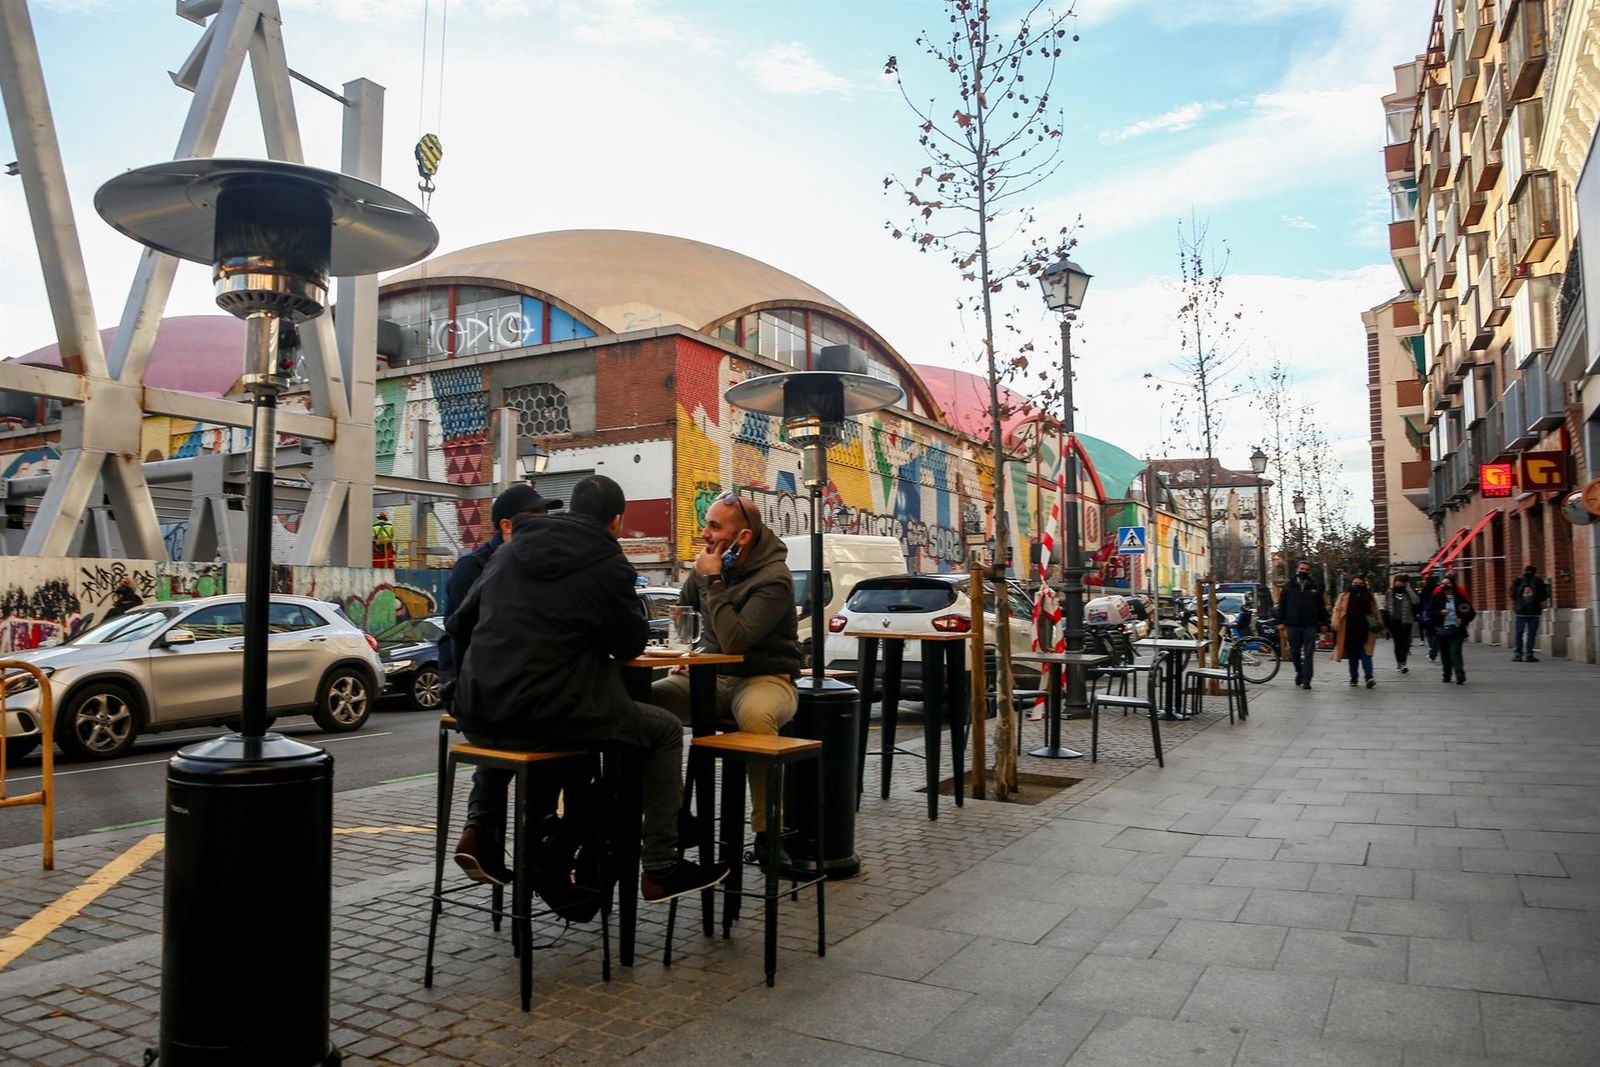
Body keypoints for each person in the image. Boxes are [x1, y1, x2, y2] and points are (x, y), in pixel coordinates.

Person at [447, 474, 726, 903]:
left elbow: (459, 623)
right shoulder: (608, 563)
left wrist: (468, 686)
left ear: (573, 510)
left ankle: (485, 833)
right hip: (552, 718)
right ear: (616, 521)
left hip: (480, 714)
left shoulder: (509, 551)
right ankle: (660, 866)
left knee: (531, 721)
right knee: (665, 731)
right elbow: (629, 645)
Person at [652, 491, 801, 866]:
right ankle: (675, 815)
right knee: (645, 706)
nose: (706, 534)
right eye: (707, 525)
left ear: (743, 537)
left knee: (756, 716)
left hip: (765, 677)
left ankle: (768, 833)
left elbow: (736, 640)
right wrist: (688, 655)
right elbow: (683, 611)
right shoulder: (707, 567)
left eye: (715, 527)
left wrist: (714, 581)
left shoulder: (775, 578)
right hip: (711, 676)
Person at [437, 483, 563, 688]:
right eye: (536, 518)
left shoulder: (541, 563)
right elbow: (461, 633)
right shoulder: (472, 568)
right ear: (507, 526)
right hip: (482, 685)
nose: (545, 525)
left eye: (546, 516)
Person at [1277, 560, 1330, 689]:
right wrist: (1280, 621)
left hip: (1310, 625)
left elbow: (1321, 607)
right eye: (1302, 569)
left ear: (1309, 571)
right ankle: (1299, 672)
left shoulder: (1314, 587)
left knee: (1308, 653)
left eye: (1306, 570)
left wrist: (1324, 623)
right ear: (1297, 570)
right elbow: (1282, 605)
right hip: (1293, 624)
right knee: (1294, 652)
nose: (1304, 571)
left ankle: (1307, 679)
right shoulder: (1289, 586)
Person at [1333, 577, 1381, 688]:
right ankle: (1353, 678)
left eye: (1360, 583)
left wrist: (1379, 624)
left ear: (1364, 585)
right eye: (1355, 583)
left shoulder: (1369, 597)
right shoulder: (1343, 596)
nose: (1357, 585)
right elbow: (1337, 609)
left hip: (1365, 630)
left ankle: (1369, 677)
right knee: (1353, 656)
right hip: (1349, 630)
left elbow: (1376, 611)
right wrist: (1335, 622)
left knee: (1366, 655)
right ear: (1351, 584)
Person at [1429, 574, 1477, 685]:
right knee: (1445, 654)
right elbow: (1430, 612)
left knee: (1455, 652)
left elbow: (1471, 612)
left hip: (1456, 630)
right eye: (1443, 584)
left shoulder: (1459, 598)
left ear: (1453, 585)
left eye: (1447, 584)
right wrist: (1440, 612)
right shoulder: (1437, 597)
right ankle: (1446, 674)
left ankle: (1460, 674)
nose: (1445, 586)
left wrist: (1462, 620)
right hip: (1442, 630)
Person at [1508, 565, 1550, 663]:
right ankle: (1529, 654)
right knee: (1531, 634)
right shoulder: (1538, 581)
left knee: (1519, 633)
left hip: (1520, 611)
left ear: (1524, 571)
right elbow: (1544, 596)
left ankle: (1518, 654)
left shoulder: (1518, 580)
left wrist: (1518, 602)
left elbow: (1512, 595)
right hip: (1534, 612)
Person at [1383, 574, 1420, 673]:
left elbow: (1416, 601)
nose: (1399, 585)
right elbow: (1386, 608)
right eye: (1397, 583)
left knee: (1405, 642)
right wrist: (1386, 623)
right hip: (1394, 622)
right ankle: (1399, 662)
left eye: (1401, 583)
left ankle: (1403, 662)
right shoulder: (1389, 593)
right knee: (1397, 643)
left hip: (1406, 621)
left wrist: (1408, 589)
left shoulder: (1408, 593)